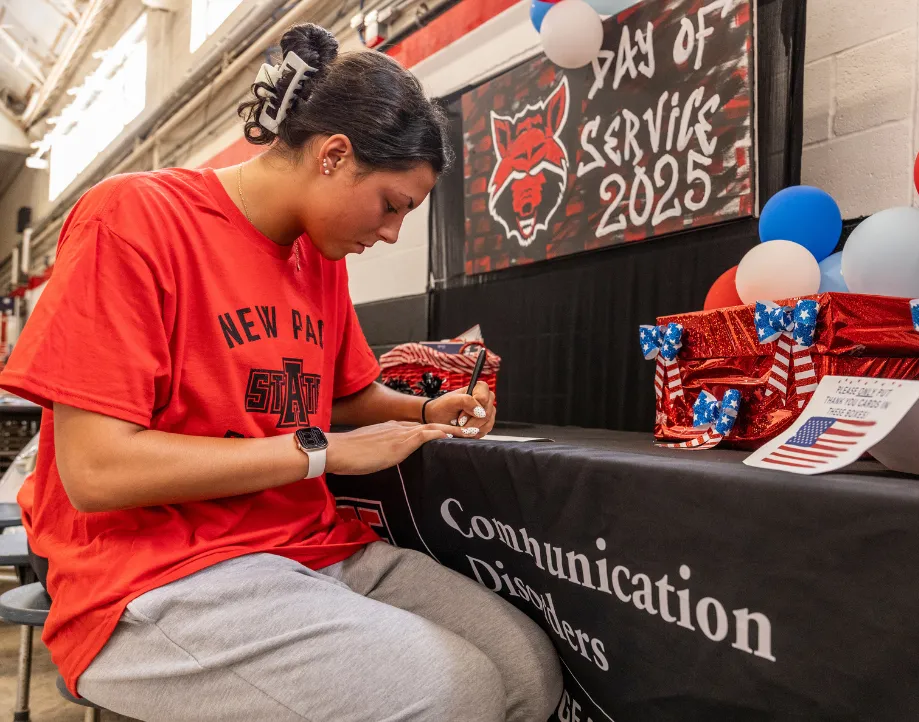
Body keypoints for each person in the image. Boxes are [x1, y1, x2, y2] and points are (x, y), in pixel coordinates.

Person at [0, 24, 562, 722]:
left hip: (304, 546)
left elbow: (349, 394)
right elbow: (96, 473)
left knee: (527, 671)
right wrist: (318, 452)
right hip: (149, 572)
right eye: (392, 206)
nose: (390, 234)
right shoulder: (134, 217)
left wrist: (425, 410)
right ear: (333, 156)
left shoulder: (319, 259)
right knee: (456, 690)